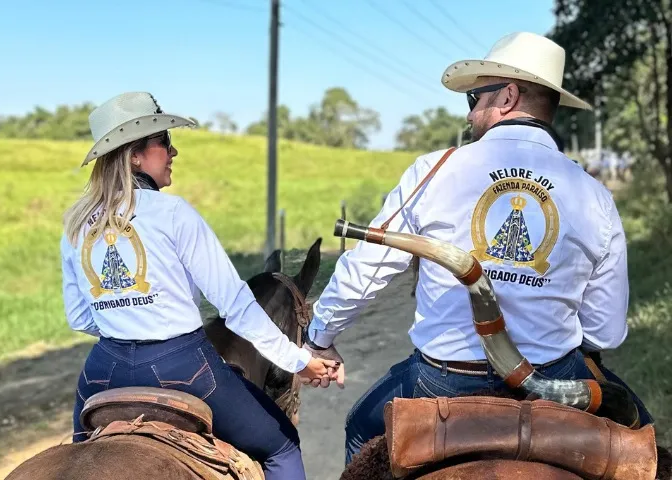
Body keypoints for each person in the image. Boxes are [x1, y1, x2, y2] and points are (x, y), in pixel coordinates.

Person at [297, 32, 654, 464]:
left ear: (507, 95)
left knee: (360, 431)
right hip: (555, 384)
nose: (470, 117)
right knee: (646, 437)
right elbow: (605, 331)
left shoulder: (434, 171)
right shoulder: (594, 194)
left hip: (442, 384)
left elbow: (367, 269)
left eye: (473, 99)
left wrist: (320, 337)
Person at [60, 92, 337, 480]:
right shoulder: (174, 213)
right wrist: (300, 361)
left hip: (104, 369)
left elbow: (78, 316)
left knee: (74, 462)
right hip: (181, 365)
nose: (174, 152)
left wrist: (126, 319)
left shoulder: (77, 223)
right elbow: (236, 305)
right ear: (134, 155)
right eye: (164, 142)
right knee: (282, 445)